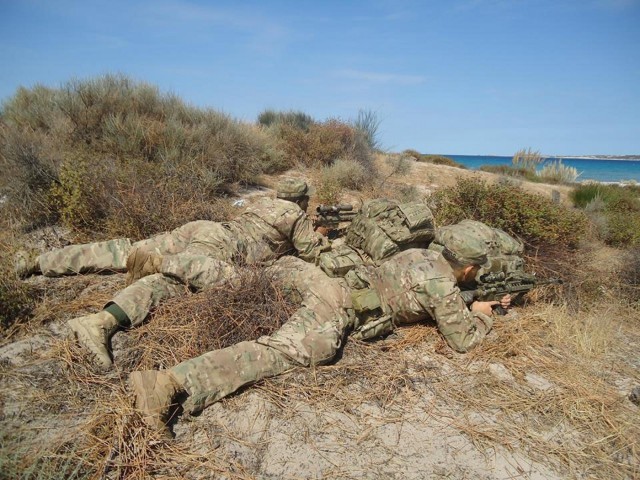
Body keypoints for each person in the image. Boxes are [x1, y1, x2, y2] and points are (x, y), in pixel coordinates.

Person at [129, 220, 513, 437]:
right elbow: (463, 341)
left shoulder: (421, 253)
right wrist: (482, 312)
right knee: (285, 351)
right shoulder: (444, 286)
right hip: (337, 305)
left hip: (317, 278)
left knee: (238, 278)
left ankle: (169, 262)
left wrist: (464, 298)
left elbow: (413, 288)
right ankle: (169, 383)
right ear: (469, 269)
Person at [16, 179, 329, 369]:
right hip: (224, 248)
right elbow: (313, 254)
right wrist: (321, 235)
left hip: (206, 228)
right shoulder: (296, 215)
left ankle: (35, 261)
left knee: (122, 249)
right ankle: (100, 322)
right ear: (302, 201)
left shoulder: (261, 203)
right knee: (175, 281)